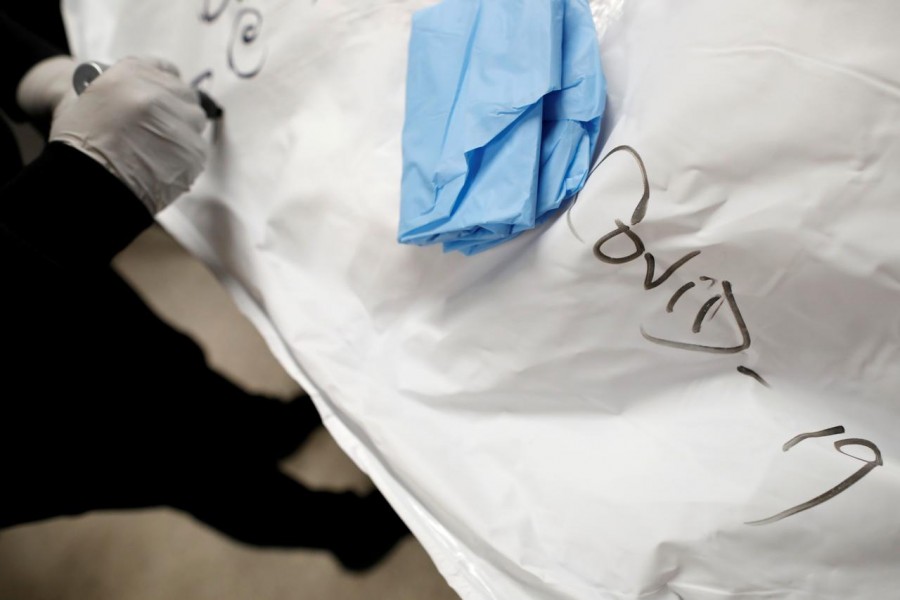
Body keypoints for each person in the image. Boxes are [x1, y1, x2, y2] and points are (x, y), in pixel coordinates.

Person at [0, 10, 409, 571]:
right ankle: (347, 530)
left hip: (36, 241)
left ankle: (262, 425)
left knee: (158, 359)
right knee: (174, 462)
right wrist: (75, 194)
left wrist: (35, 70)